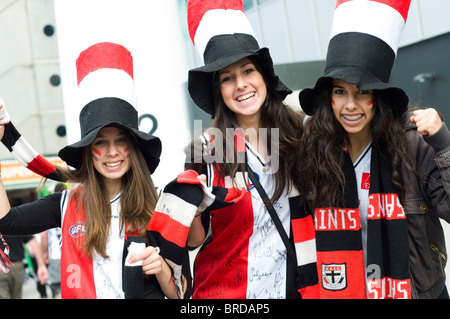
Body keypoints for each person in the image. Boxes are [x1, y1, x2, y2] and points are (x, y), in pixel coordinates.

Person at [0, 42, 189, 299]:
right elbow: (6, 221)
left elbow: (182, 294)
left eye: (121, 140)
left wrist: (161, 269)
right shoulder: (65, 205)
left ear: (133, 147)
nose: (112, 151)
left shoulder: (158, 203)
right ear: (88, 151)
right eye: (100, 142)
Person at [297, 0, 449, 298]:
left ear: (378, 96)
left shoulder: (413, 144)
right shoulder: (314, 149)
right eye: (340, 91)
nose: (350, 105)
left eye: (362, 91)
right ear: (328, 98)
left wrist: (443, 142)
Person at [184, 0, 318, 299]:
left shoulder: (299, 136)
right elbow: (193, 241)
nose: (241, 85)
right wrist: (192, 209)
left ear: (264, 77)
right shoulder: (205, 150)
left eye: (248, 71)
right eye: (227, 78)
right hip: (227, 293)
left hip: (296, 287)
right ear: (218, 91)